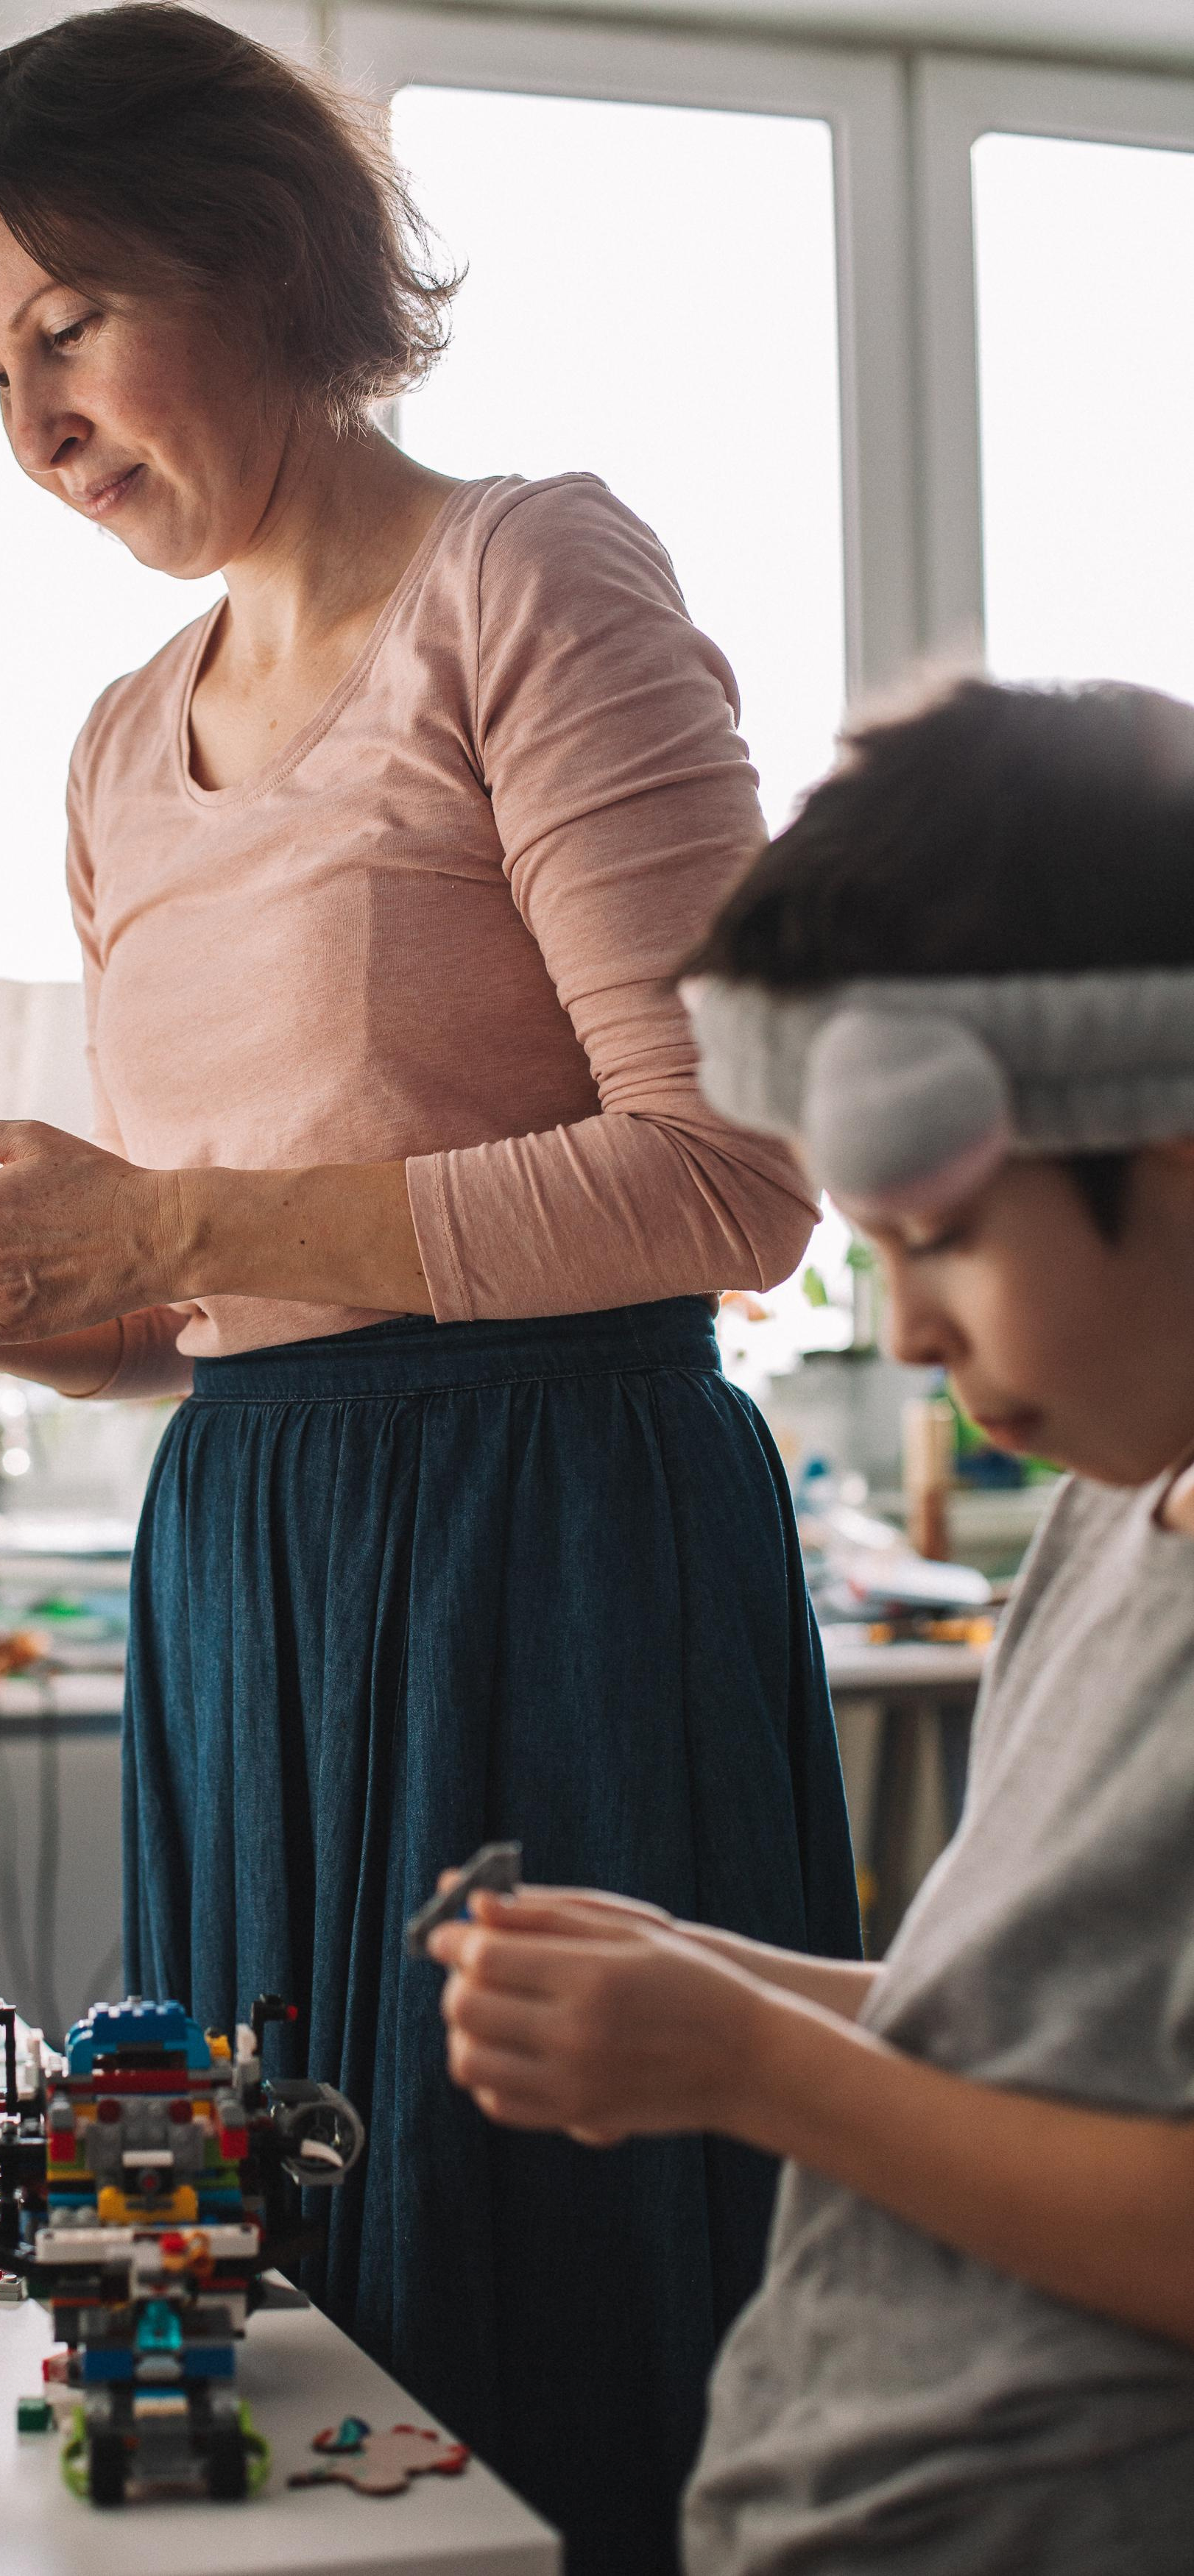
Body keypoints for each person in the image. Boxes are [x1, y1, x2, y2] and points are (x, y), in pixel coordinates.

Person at [0, 10, 859, 2560]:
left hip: (550, 1558)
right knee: (265, 2281)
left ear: (259, 260)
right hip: (251, 1566)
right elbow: (209, 1313)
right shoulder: (121, 746)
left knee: (542, 2271)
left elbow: (733, 1178)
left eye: (68, 329)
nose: (37, 429)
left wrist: (166, 1223)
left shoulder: (527, 577)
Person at [428, 676, 1194, 2573]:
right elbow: (1033, 2049)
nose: (908, 1334)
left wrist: (752, 2069)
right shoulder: (1116, 1513)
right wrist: (715, 1983)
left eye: (941, 1241)